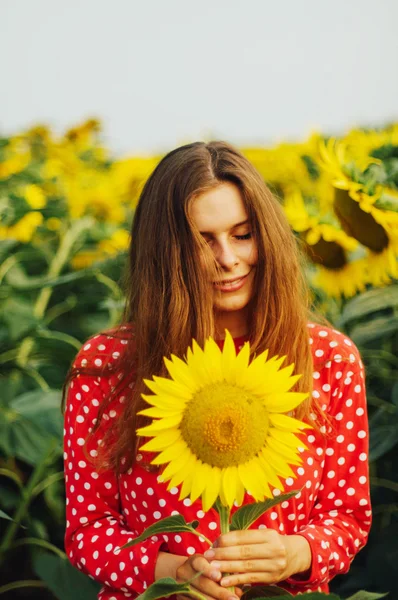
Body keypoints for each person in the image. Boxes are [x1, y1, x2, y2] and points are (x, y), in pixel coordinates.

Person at [63, 141, 371, 600]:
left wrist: (296, 552)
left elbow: (348, 518)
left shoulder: (327, 359)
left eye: (242, 234)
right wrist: (176, 573)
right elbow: (87, 531)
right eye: (201, 242)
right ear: (164, 255)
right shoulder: (107, 366)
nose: (227, 259)